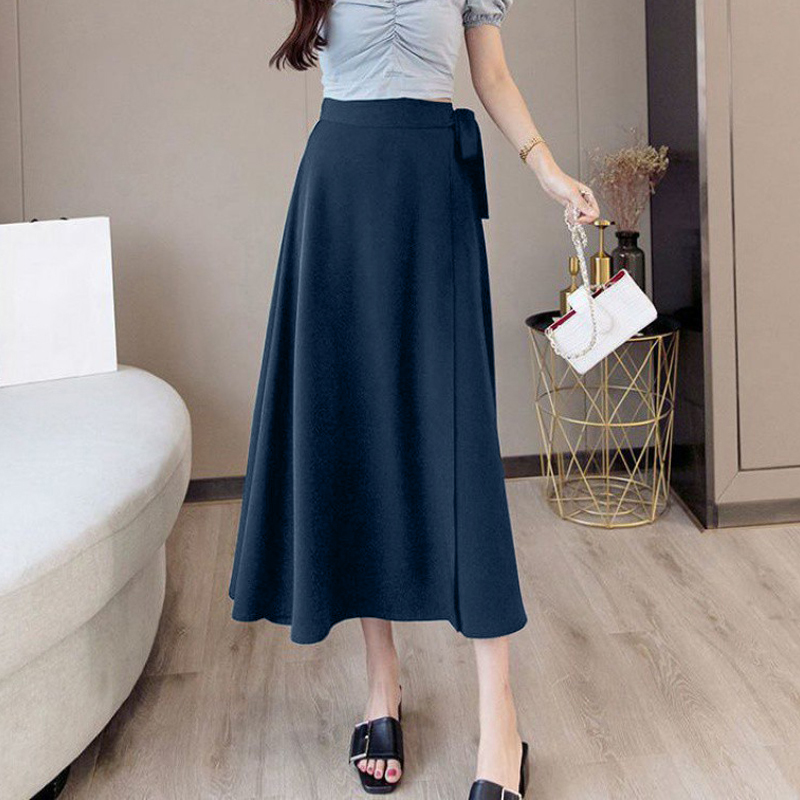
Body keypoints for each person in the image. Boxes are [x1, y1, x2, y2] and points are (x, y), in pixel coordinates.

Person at [228, 0, 600, 796]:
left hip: (434, 195)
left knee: (458, 442)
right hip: (339, 197)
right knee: (359, 428)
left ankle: (501, 719)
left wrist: (545, 168)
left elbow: (490, 73)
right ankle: (381, 685)